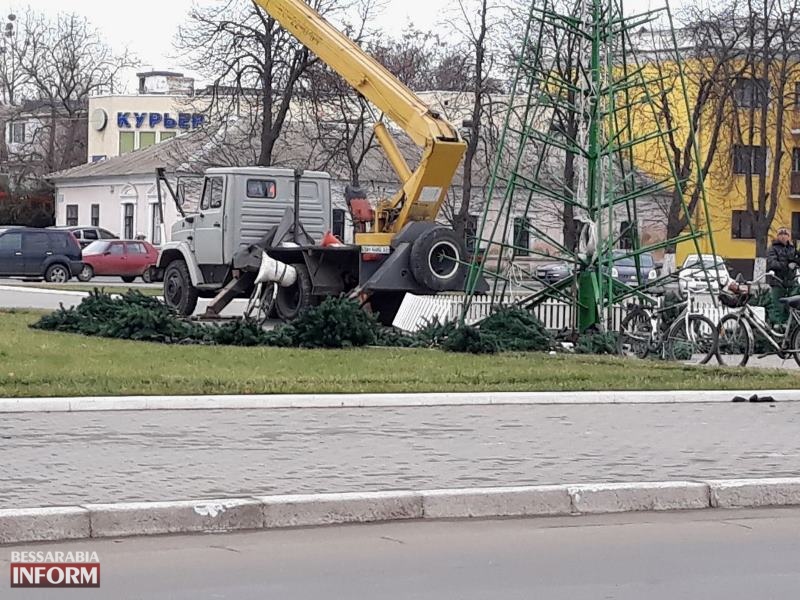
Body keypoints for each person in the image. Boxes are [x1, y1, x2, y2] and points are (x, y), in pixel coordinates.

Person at [766, 226, 799, 325]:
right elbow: (772, 263)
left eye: (786, 234)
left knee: (792, 307)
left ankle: (791, 329)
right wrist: (787, 265)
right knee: (778, 306)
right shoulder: (773, 248)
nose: (783, 237)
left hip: (791, 282)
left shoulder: (792, 248)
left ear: (789, 237)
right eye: (781, 234)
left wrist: (796, 263)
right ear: (777, 236)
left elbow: (796, 259)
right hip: (777, 281)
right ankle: (778, 327)